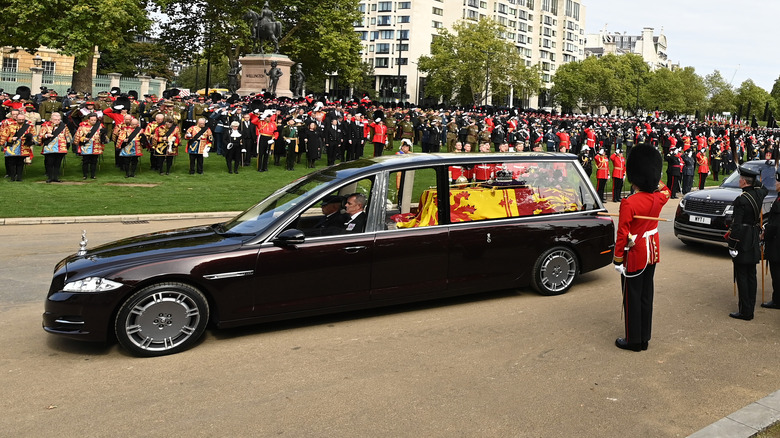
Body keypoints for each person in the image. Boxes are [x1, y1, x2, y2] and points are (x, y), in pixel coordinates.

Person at [613, 145, 671, 352]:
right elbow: (666, 189)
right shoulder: (659, 197)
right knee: (646, 295)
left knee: (632, 296)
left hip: (635, 254)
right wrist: (654, 179)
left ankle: (633, 340)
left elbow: (622, 235)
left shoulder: (629, 203)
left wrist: (618, 259)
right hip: (652, 252)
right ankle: (644, 337)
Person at [726, 166, 768, 320]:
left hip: (742, 239)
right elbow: (763, 188)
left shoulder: (741, 200)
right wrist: (755, 177)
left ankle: (745, 311)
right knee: (751, 274)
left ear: (744, 181)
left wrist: (733, 245)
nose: (739, 180)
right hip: (753, 237)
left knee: (742, 275)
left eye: (740, 179)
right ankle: (750, 307)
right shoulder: (759, 194)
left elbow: (736, 225)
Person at [762, 169, 780, 310]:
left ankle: (777, 300)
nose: (775, 183)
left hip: (776, 243)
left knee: (777, 273)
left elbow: (774, 224)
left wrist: (765, 234)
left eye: (777, 181)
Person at [37, 112, 72, 183]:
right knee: (50, 163)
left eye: (59, 120)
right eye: (55, 119)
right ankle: (50, 177)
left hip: (61, 147)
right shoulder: (46, 126)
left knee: (57, 163)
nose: (57, 121)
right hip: (49, 147)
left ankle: (56, 177)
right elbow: (40, 135)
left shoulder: (64, 126)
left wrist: (68, 143)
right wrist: (46, 135)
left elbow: (67, 135)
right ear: (51, 119)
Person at [0, 112, 35, 181]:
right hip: (12, 147)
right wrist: (10, 139)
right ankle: (12, 177)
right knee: (12, 162)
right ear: (16, 119)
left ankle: (19, 177)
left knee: (20, 162)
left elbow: (34, 135)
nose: (21, 121)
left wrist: (30, 138)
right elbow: (4, 136)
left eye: (22, 119)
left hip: (23, 147)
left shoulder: (29, 126)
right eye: (19, 119)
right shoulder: (10, 126)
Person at [74, 113, 107, 180]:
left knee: (94, 161)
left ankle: (93, 175)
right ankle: (85, 175)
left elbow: (105, 139)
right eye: (92, 120)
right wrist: (83, 139)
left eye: (95, 120)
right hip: (86, 146)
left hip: (96, 146)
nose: (93, 121)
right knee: (85, 161)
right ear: (88, 120)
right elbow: (77, 137)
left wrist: (103, 134)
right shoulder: (82, 127)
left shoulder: (100, 126)